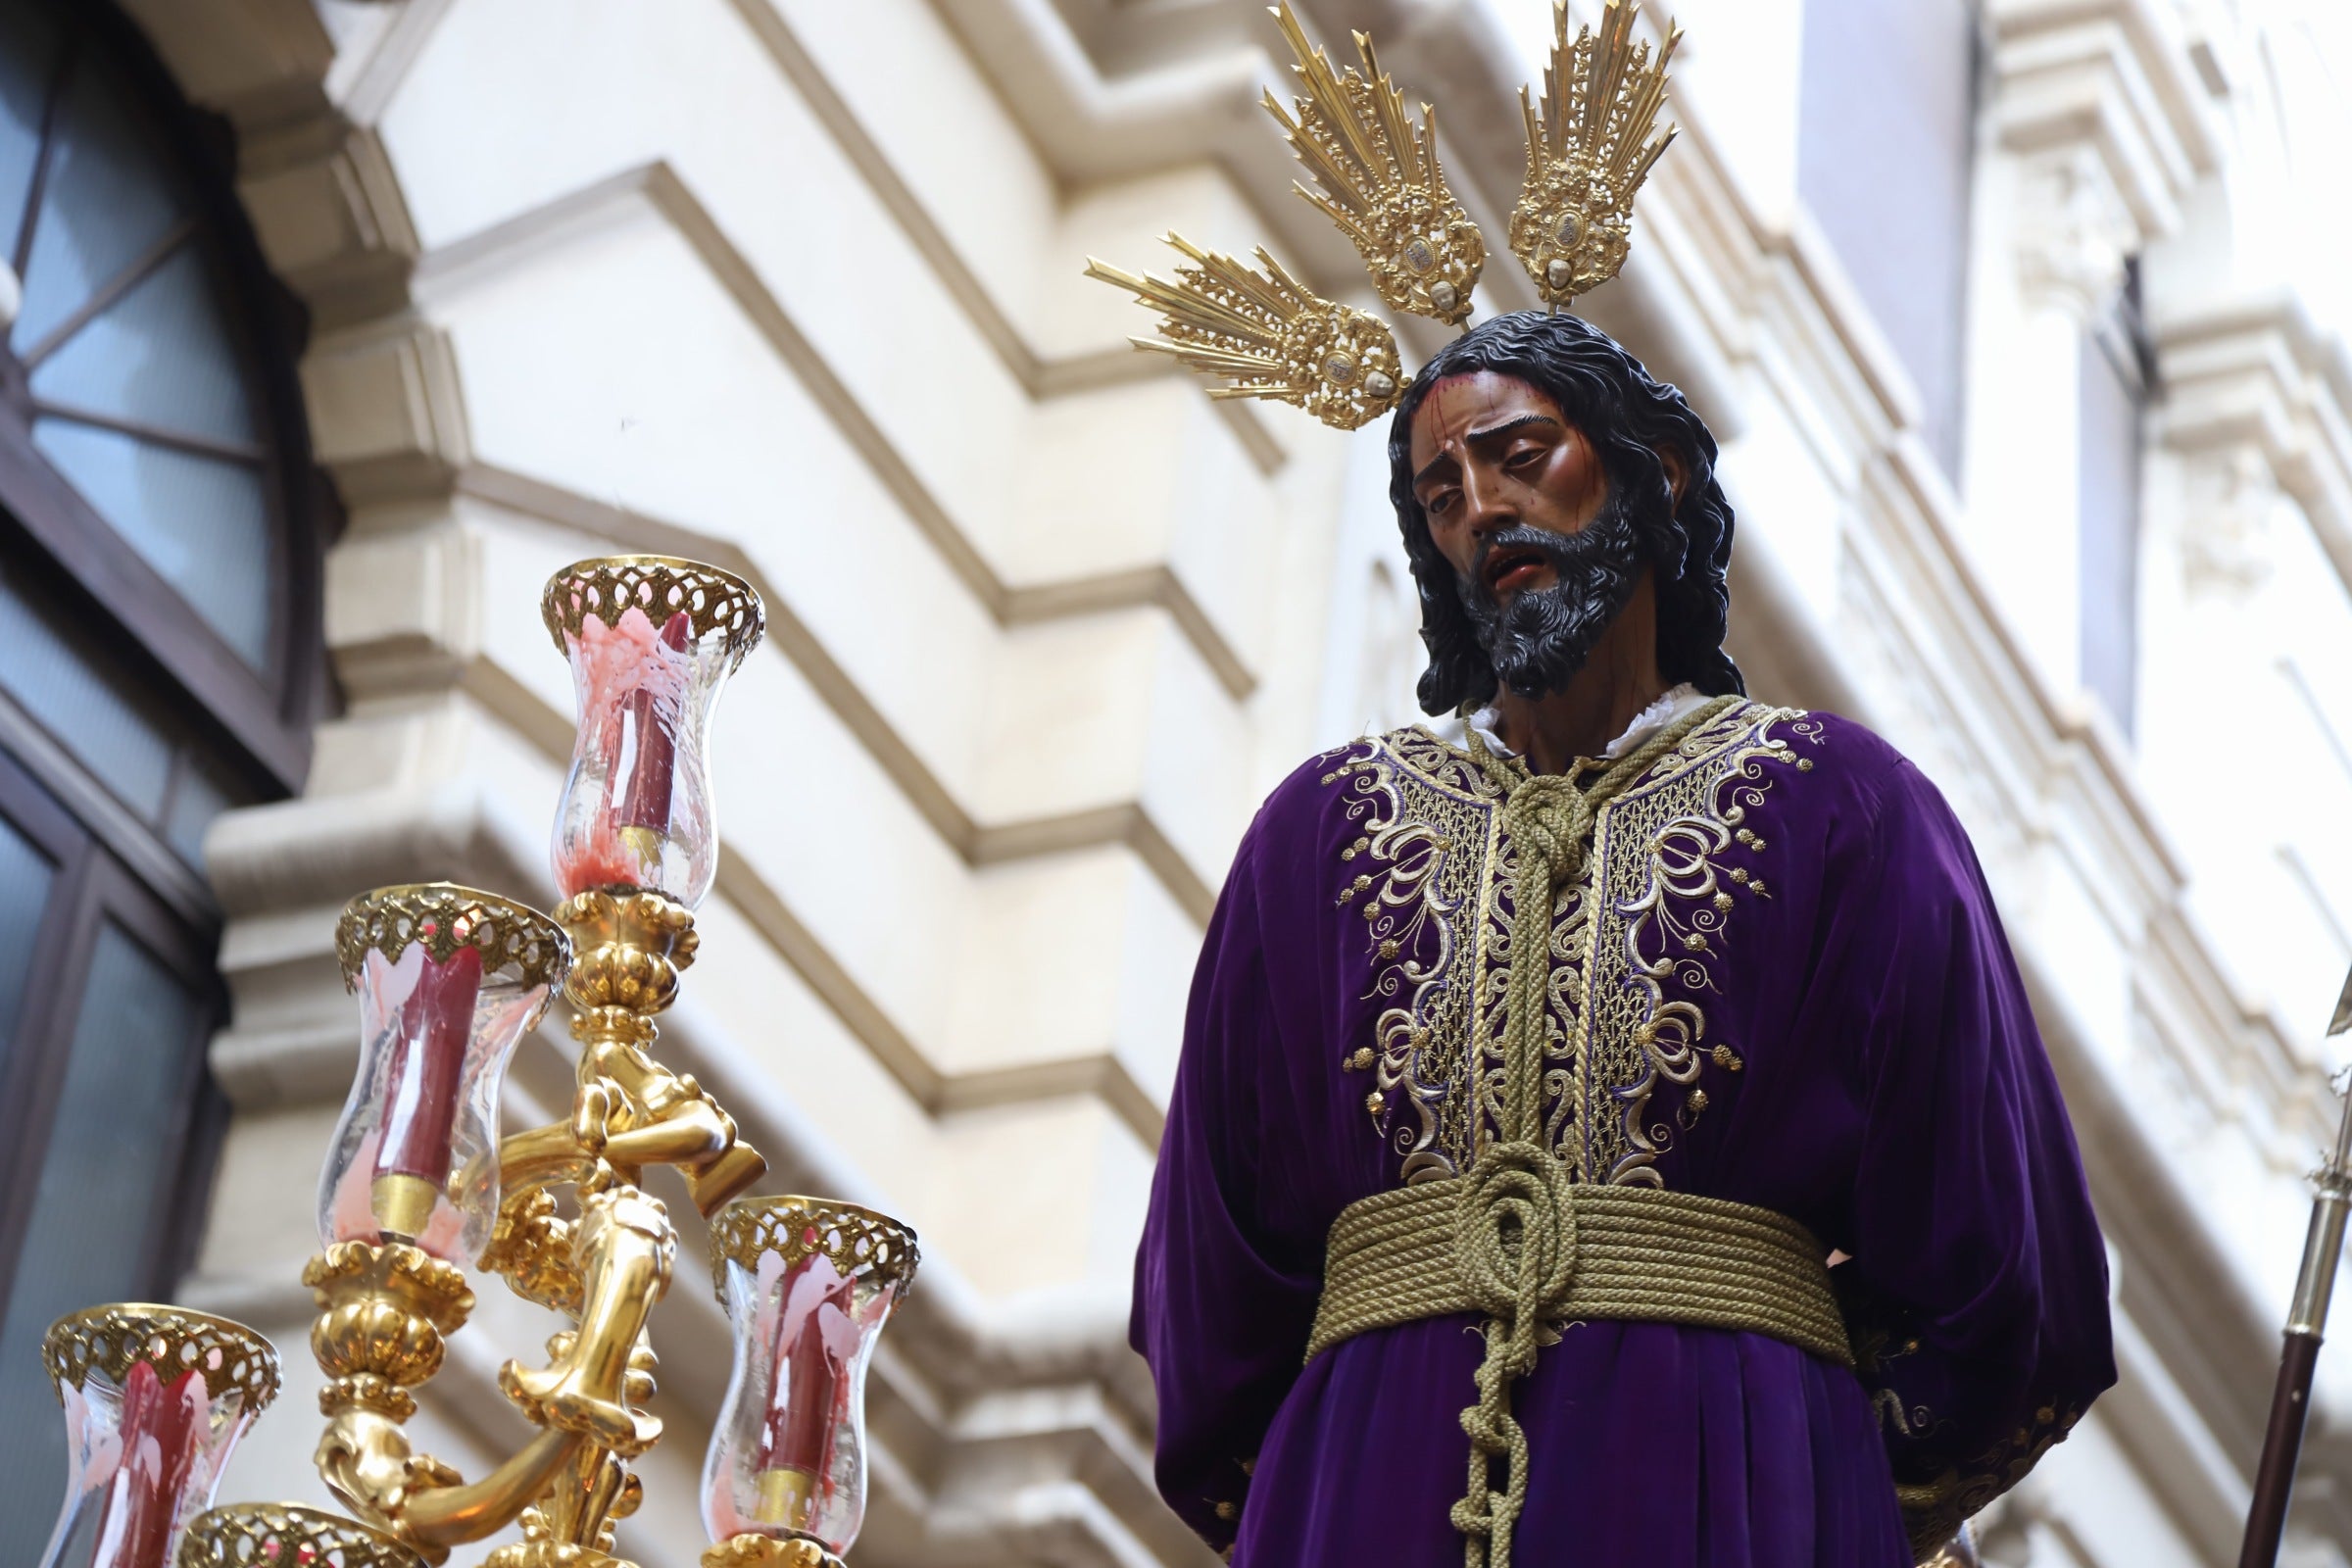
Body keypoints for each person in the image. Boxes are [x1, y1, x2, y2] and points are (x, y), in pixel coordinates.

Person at [1130, 310, 2117, 1567]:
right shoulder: (1312, 840)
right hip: (1375, 1496)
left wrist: (1811, 1478)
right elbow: (1213, 1286)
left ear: (1654, 473)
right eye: (1441, 494)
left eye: (1520, 454)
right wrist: (1332, 1478)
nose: (1482, 510)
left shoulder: (1845, 809)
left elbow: (2004, 1262)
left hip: (1731, 1494)